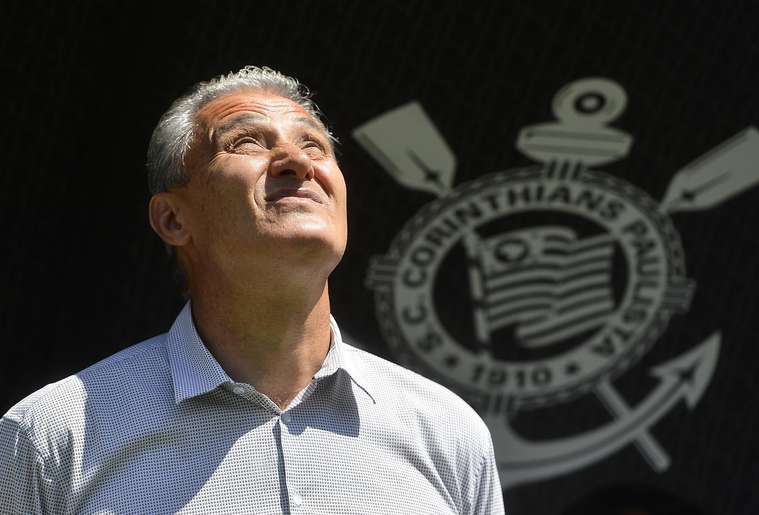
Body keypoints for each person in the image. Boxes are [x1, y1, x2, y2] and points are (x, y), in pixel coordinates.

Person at [0, 66, 504, 514]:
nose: (296, 162)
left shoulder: (447, 429)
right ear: (173, 218)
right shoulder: (52, 438)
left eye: (315, 146)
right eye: (247, 143)